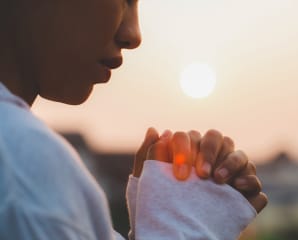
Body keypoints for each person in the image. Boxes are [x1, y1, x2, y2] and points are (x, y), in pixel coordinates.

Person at [0, 0, 267, 239]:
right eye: (125, 0)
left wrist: (157, 223)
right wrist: (186, 229)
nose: (134, 36)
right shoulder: (23, 168)